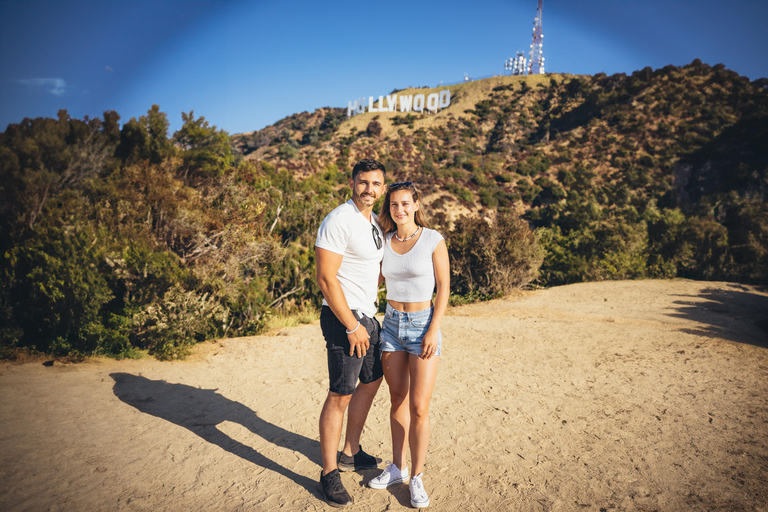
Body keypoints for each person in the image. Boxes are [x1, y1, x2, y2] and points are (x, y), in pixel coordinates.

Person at [367, 181, 449, 509]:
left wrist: (433, 329)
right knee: (397, 400)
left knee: (419, 407)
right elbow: (374, 278)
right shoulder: (385, 241)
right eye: (393, 205)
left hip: (422, 327)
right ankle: (397, 467)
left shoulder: (432, 240)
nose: (399, 210)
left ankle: (416, 477)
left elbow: (443, 287)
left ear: (416, 204)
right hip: (390, 327)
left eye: (405, 203)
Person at [315, 158, 387, 508]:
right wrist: (353, 325)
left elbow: (374, 269)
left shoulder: (373, 222)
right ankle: (329, 473)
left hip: (368, 319)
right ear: (351, 182)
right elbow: (327, 279)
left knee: (372, 382)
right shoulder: (339, 219)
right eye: (363, 182)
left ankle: (350, 451)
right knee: (340, 394)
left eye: (375, 183)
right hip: (345, 320)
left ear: (382, 188)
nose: (368, 189)